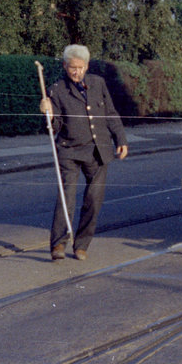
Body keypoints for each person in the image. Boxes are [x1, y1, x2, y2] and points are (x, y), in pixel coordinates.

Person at [39, 44, 128, 261]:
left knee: (94, 199)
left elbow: (110, 112)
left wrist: (121, 139)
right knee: (66, 197)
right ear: (65, 66)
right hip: (69, 151)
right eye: (72, 67)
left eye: (80, 67)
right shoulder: (56, 90)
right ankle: (58, 244)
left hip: (98, 151)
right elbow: (56, 126)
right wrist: (49, 114)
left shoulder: (98, 83)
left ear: (87, 66)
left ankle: (82, 245)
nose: (76, 71)